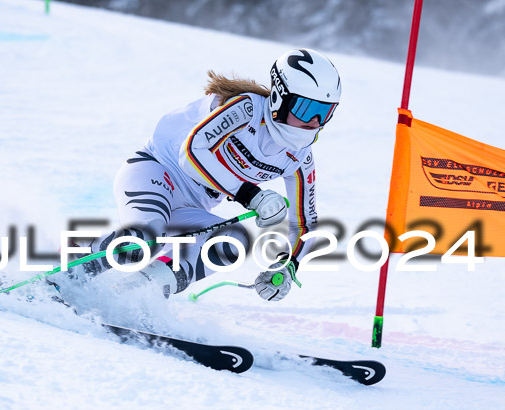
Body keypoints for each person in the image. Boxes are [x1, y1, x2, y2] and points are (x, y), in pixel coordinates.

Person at [63, 48, 341, 302]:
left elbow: (306, 224)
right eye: (306, 108)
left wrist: (288, 265)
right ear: (281, 97)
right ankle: (63, 277)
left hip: (191, 207)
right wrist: (251, 195)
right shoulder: (247, 109)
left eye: (324, 113)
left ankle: (133, 298)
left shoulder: (300, 158)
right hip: (155, 172)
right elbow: (192, 153)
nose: (314, 122)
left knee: (233, 241)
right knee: (145, 238)